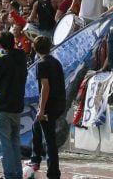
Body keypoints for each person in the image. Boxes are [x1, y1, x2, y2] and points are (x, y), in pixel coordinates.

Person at [0, 31, 27, 179]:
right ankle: (17, 173)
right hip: (17, 104)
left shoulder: (4, 60)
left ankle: (10, 174)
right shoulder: (21, 57)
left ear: (0, 45)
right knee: (15, 141)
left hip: (4, 105)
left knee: (4, 143)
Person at [28, 36, 64, 179]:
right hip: (59, 102)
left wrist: (41, 110)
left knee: (49, 139)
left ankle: (53, 173)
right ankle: (35, 159)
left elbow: (45, 87)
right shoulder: (56, 62)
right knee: (36, 128)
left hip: (49, 105)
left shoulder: (41, 64)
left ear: (35, 48)